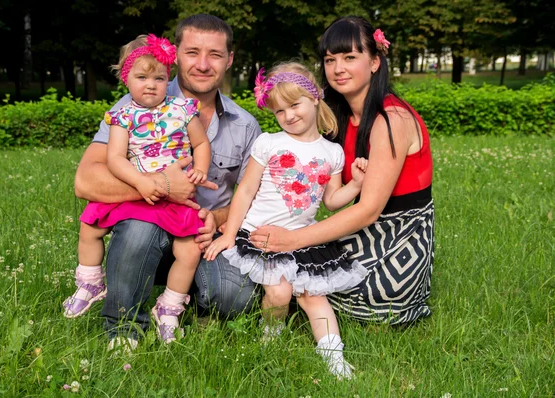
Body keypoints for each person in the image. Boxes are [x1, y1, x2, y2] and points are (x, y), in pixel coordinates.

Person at [73, 14, 262, 349]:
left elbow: (256, 198)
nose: (203, 65)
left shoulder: (245, 126)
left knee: (237, 298)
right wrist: (161, 186)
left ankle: (176, 300)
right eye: (192, 52)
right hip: (147, 221)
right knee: (138, 230)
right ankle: (124, 326)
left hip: (202, 239)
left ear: (229, 60)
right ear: (175, 54)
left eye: (215, 55)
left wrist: (215, 218)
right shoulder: (139, 100)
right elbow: (85, 181)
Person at [249, 16, 434, 324]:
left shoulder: (392, 119)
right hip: (360, 228)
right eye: (330, 59)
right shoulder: (339, 118)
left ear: (374, 62)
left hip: (398, 235)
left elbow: (369, 211)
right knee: (284, 268)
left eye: (350, 57)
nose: (338, 69)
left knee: (307, 277)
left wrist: (293, 239)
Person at [204, 62, 369, 378]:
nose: (289, 115)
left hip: (301, 238)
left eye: (295, 105)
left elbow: (332, 201)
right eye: (280, 111)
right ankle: (271, 336)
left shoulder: (332, 152)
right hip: (260, 234)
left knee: (313, 296)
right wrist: (231, 233)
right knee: (278, 293)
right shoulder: (269, 142)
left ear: (315, 98)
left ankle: (334, 358)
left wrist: (356, 185)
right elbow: (245, 191)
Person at [64, 34, 212, 343]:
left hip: (177, 198)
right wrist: (142, 182)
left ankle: (170, 306)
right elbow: (115, 158)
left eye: (159, 78)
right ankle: (91, 281)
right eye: (141, 77)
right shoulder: (122, 116)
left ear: (168, 79)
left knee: (189, 249)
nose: (151, 84)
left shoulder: (183, 110)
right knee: (89, 225)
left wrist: (200, 168)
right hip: (140, 191)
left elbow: (201, 143)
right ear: (125, 79)